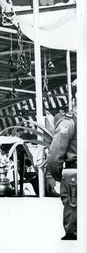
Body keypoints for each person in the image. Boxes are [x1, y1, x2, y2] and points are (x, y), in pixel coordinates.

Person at [47, 79, 77, 240]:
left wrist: (60, 176)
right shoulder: (70, 122)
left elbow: (54, 156)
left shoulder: (71, 121)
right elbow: (54, 156)